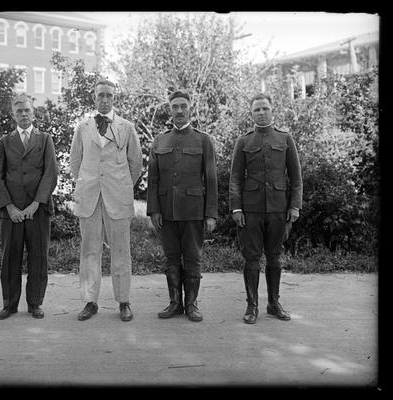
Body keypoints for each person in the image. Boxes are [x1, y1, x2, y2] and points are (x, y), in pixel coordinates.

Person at [69, 78, 143, 322]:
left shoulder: (126, 127)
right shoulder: (83, 128)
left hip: (117, 198)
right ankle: (90, 301)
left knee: (121, 251)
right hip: (89, 197)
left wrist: (121, 185)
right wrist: (89, 183)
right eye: (100, 95)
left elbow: (136, 163)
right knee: (89, 251)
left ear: (114, 98)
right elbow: (75, 163)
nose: (104, 99)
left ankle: (124, 301)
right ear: (94, 97)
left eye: (108, 95)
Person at [229, 93, 302, 324]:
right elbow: (235, 179)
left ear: (272, 110)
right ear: (251, 114)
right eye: (256, 110)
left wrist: (295, 207)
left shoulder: (285, 139)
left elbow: (296, 178)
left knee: (275, 257)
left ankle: (273, 303)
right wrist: (236, 209)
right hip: (250, 210)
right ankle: (252, 306)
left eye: (265, 109)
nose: (261, 113)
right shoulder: (244, 141)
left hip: (279, 209)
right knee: (251, 258)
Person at [146, 90, 218, 322]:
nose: (179, 110)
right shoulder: (160, 141)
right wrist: (154, 210)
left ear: (190, 109)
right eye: (175, 106)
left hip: (193, 211)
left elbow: (211, 180)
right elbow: (153, 179)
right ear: (170, 109)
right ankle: (175, 303)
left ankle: (191, 305)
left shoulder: (203, 140)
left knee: (193, 258)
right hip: (166, 211)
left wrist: (210, 214)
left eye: (183, 106)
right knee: (171, 258)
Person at [0, 93, 58, 320]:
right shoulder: (5, 141)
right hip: (11, 213)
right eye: (19, 111)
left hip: (37, 210)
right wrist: (9, 207)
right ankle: (9, 304)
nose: (23, 114)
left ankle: (35, 303)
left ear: (34, 113)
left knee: (38, 257)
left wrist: (35, 204)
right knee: (10, 258)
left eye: (27, 110)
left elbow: (51, 173)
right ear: (13, 115)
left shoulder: (45, 139)